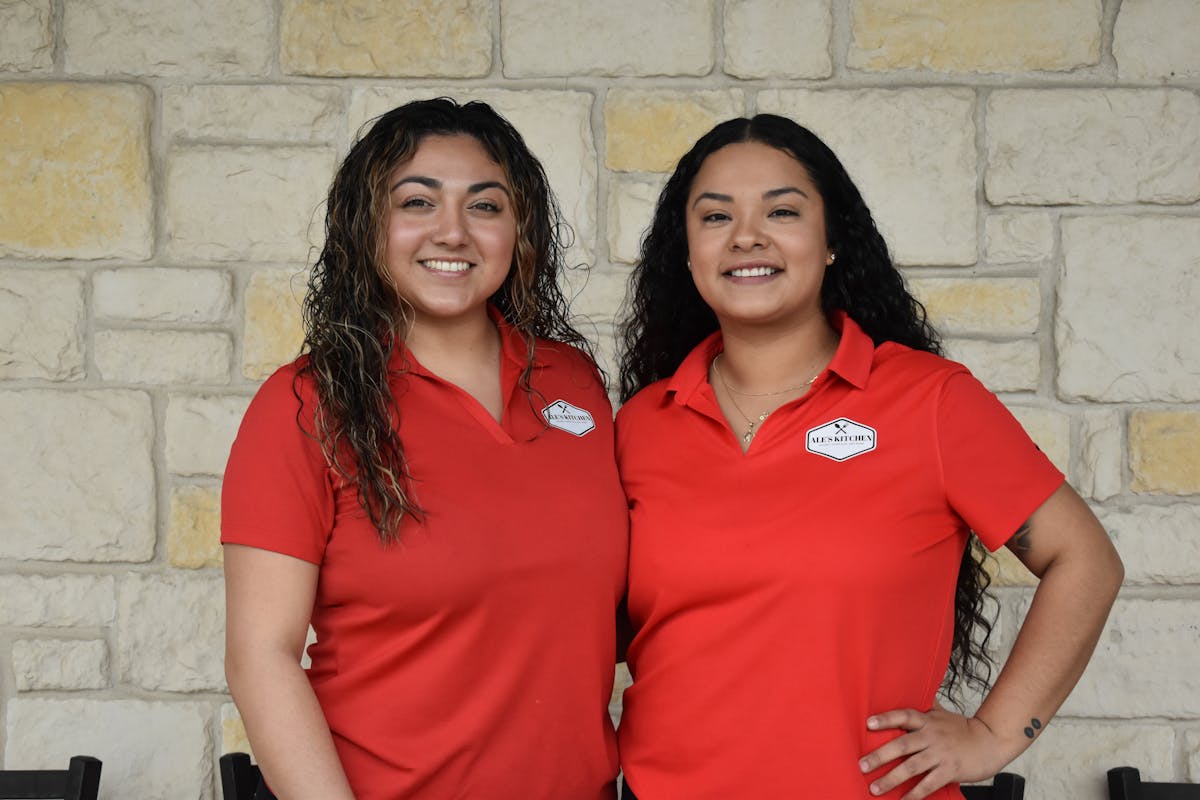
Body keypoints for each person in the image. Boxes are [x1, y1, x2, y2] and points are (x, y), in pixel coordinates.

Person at [614, 114, 1123, 799]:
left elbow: (1085, 559)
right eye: (715, 217)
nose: (746, 237)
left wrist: (993, 735)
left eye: (783, 210)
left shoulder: (929, 403)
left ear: (831, 243)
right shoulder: (640, 426)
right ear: (686, 249)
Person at [221, 98, 628, 800]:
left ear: (520, 230)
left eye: (486, 206)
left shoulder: (574, 384)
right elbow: (262, 656)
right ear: (368, 227)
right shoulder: (306, 407)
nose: (453, 231)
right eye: (417, 201)